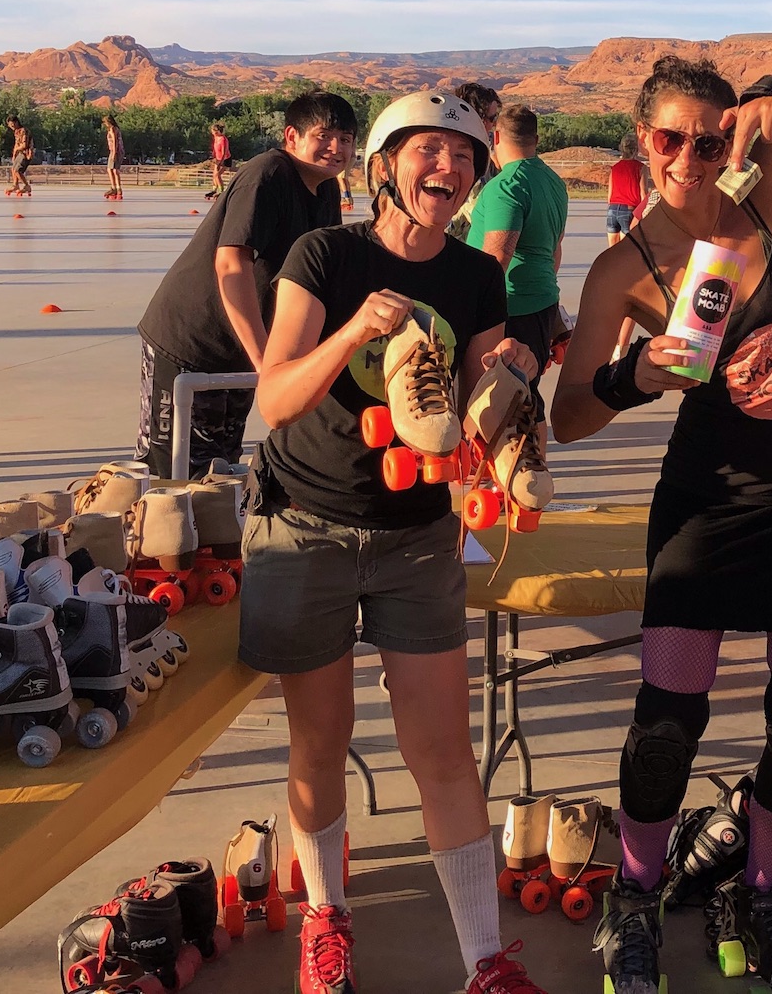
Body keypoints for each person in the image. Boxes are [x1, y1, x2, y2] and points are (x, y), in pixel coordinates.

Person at [552, 31, 772, 994]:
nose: (689, 160)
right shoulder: (623, 270)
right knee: (665, 725)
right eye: (670, 140)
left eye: (706, 140)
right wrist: (634, 372)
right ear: (639, 140)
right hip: (707, 509)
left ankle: (768, 891)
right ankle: (637, 899)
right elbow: (568, 419)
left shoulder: (767, 193)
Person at [243, 90, 551, 994]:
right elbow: (276, 398)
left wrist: (513, 385)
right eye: (427, 152)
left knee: (444, 753)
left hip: (419, 538)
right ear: (384, 166)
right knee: (320, 743)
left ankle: (485, 961)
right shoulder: (325, 253)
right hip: (308, 526)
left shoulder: (473, 276)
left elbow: (476, 410)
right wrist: (355, 330)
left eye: (462, 158)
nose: (447, 171)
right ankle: (327, 919)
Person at [134, 92, 354, 478]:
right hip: (192, 340)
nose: (336, 148)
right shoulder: (267, 174)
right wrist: (266, 361)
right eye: (325, 136)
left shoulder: (328, 191)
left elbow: (325, 275)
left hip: (249, 348)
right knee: (171, 473)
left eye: (347, 139)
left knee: (221, 468)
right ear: (292, 136)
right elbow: (231, 264)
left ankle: (214, 539)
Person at [469, 104, 571, 373]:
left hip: (511, 311)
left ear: (497, 138)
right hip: (543, 303)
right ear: (536, 140)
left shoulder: (507, 186)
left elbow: (498, 258)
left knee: (502, 400)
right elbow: (555, 249)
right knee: (525, 398)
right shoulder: (554, 182)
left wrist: (470, 309)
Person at [448, 83, 502, 243]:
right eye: (492, 118)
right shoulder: (469, 157)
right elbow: (482, 212)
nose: (494, 125)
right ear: (478, 118)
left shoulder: (484, 153)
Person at [606, 132, 643, 247]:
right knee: (626, 250)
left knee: (612, 250)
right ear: (636, 149)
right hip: (629, 210)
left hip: (612, 210)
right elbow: (643, 193)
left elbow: (610, 195)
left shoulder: (615, 168)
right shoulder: (641, 168)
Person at [5, 115, 34, 198]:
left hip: (26, 153)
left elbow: (24, 145)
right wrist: (14, 154)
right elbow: (16, 144)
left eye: (12, 125)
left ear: (16, 122)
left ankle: (27, 186)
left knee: (18, 171)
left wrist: (17, 149)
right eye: (10, 126)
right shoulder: (16, 131)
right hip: (20, 153)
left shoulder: (23, 131)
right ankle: (15, 185)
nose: (11, 127)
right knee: (13, 169)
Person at [206, 121, 232, 200]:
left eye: (213, 130)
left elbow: (224, 151)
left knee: (217, 175)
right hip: (218, 158)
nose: (212, 132)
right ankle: (214, 189)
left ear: (217, 131)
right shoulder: (216, 137)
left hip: (225, 159)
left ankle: (221, 191)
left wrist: (222, 161)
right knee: (214, 175)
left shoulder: (223, 139)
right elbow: (215, 147)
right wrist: (213, 154)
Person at [104, 114, 125, 201]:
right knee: (113, 170)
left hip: (115, 151)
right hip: (116, 151)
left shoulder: (112, 129)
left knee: (112, 170)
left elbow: (115, 140)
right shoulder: (116, 129)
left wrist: (114, 153)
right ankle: (116, 188)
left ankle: (115, 188)